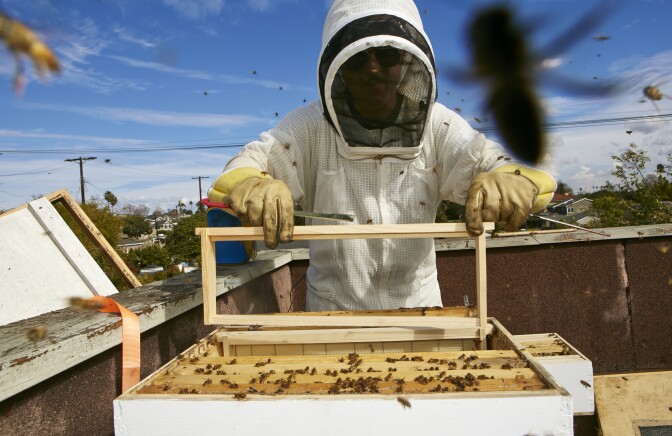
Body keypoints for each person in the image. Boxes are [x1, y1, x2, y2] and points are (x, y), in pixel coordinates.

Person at [208, 0, 556, 311]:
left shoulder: (439, 125)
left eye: (387, 56)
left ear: (405, 62)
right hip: (332, 317)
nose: (373, 69)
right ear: (338, 65)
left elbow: (521, 177)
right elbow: (238, 173)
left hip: (420, 314)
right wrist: (252, 182)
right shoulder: (309, 126)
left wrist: (513, 182)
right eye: (360, 58)